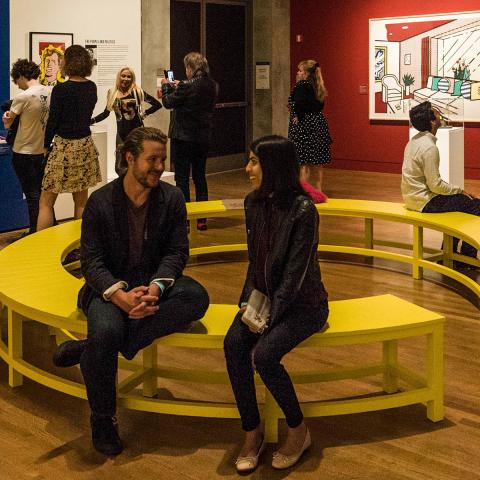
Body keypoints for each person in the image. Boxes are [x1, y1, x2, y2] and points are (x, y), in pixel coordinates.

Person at [52, 127, 210, 456]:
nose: (158, 166)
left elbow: (177, 253)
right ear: (129, 159)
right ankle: (103, 419)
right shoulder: (100, 201)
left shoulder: (173, 198)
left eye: (161, 160)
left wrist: (155, 287)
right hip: (107, 288)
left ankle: (88, 349)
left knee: (196, 297)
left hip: (152, 285)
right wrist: (119, 294)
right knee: (107, 328)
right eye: (152, 159)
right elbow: (91, 261)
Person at [224, 135, 329, 473]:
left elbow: (295, 276)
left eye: (254, 161)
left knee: (265, 355)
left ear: (273, 167)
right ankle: (251, 432)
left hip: (304, 305)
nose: (248, 168)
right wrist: (246, 304)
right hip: (265, 301)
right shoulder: (252, 203)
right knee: (233, 345)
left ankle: (298, 431)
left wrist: (266, 320)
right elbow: (255, 263)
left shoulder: (303, 210)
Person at [402, 101, 480, 262]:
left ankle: (449, 254)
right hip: (424, 202)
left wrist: (458, 193)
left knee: (463, 205)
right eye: (436, 112)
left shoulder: (414, 141)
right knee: (476, 205)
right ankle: (467, 257)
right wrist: (460, 190)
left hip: (412, 198)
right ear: (432, 121)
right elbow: (435, 185)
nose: (439, 113)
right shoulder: (429, 148)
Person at [37, 45, 101, 231]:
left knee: (46, 202)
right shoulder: (91, 87)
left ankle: (42, 249)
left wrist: (45, 147)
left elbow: (53, 122)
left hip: (64, 146)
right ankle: (79, 247)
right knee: (81, 202)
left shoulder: (61, 89)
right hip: (85, 145)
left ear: (67, 63)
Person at [161, 51, 217, 231]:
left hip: (183, 138)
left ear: (190, 68)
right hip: (203, 138)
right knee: (200, 177)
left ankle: (184, 218)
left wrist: (166, 87)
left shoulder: (186, 85)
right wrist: (180, 86)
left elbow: (168, 103)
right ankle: (202, 218)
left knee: (182, 178)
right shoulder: (212, 85)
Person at [1, 59, 51, 234]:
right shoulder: (49, 91)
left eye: (17, 81)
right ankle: (46, 230)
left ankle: (34, 233)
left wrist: (6, 119)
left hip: (23, 151)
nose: (18, 85)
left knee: (32, 197)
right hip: (42, 151)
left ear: (21, 76)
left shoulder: (23, 97)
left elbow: (8, 124)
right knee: (43, 195)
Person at [91, 67, 161, 175]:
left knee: (137, 165)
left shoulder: (137, 92)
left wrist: (144, 114)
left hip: (137, 135)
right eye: (123, 75)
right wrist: (91, 121)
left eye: (129, 76)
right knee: (119, 167)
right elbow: (106, 113)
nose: (126, 78)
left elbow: (157, 104)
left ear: (132, 79)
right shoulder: (112, 93)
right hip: (121, 135)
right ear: (119, 76)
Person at [288, 59, 332, 191]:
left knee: (303, 162)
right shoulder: (318, 85)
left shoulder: (302, 85)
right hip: (318, 124)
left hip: (304, 125)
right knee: (318, 160)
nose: (298, 72)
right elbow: (319, 105)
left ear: (306, 73)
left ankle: (303, 190)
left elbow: (299, 103)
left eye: (300, 70)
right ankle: (318, 189)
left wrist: (297, 116)